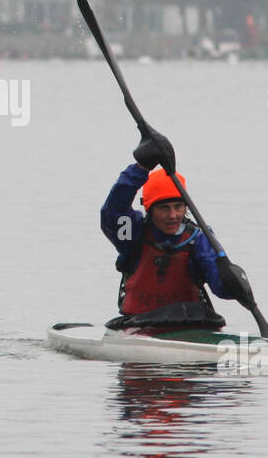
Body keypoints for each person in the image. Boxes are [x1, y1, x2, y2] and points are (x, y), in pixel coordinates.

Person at [99, 132, 237, 330]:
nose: (173, 215)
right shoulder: (131, 235)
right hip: (139, 329)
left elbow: (218, 283)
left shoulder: (199, 238)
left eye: (178, 206)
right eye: (164, 208)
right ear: (150, 210)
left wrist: (230, 283)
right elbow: (113, 211)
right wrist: (141, 168)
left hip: (191, 327)